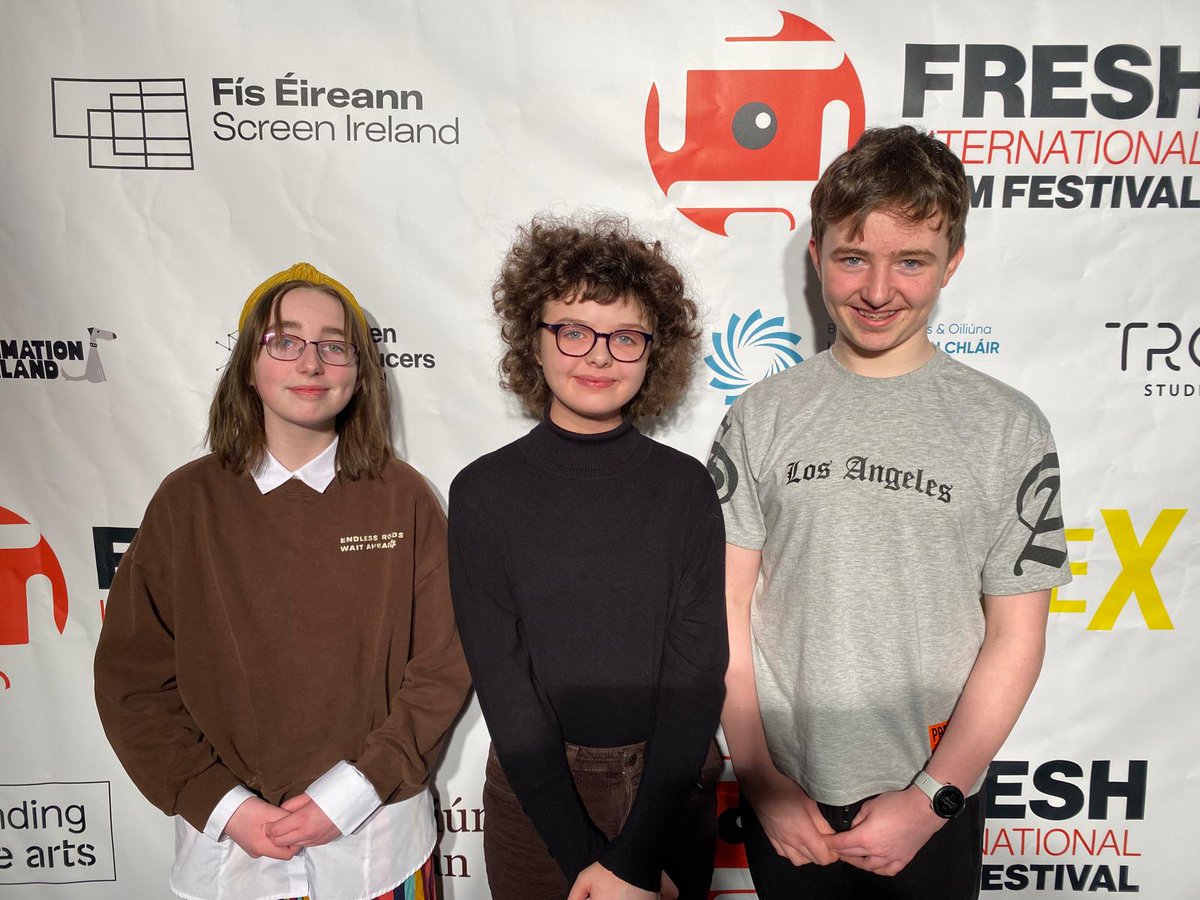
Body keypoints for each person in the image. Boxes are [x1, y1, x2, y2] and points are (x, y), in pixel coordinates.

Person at [709, 126, 1072, 899]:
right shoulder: (760, 415)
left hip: (934, 804)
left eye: (911, 261)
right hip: (788, 801)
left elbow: (1018, 634)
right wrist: (764, 780)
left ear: (952, 263)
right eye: (853, 258)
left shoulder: (1009, 426)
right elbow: (725, 612)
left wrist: (934, 797)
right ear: (816, 256)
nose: (878, 291)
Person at [94, 262, 471, 900]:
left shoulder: (402, 498)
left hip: (377, 848)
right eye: (285, 340)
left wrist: (354, 791)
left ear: (359, 370)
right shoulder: (187, 502)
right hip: (230, 860)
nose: (311, 362)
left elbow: (443, 667)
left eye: (333, 345)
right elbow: (133, 681)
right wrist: (221, 803)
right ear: (248, 363)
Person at [448, 215, 728, 900]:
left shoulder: (686, 488)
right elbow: (505, 688)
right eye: (573, 330)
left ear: (653, 351)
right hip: (534, 796)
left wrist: (635, 859)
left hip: (667, 788)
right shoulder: (483, 493)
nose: (598, 356)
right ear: (533, 341)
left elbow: (697, 679)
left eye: (624, 336)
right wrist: (582, 859)